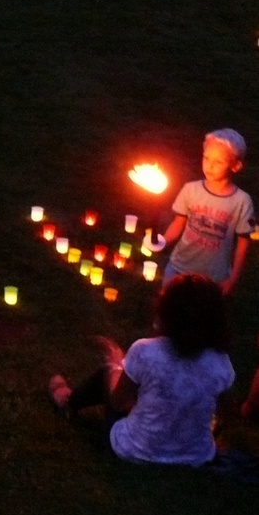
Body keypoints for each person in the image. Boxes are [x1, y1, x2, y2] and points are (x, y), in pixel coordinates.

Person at [49, 274, 234, 466]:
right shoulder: (220, 362)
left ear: (168, 311)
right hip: (196, 457)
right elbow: (224, 413)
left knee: (108, 373)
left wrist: (115, 364)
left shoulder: (146, 351)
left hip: (137, 450)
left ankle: (68, 401)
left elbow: (117, 402)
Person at [149, 129, 253, 295]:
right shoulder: (191, 189)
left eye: (218, 162)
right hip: (179, 268)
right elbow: (178, 223)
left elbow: (243, 242)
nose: (209, 165)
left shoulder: (241, 201)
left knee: (202, 317)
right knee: (169, 310)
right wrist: (162, 241)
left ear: (236, 166)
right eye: (206, 158)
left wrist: (233, 278)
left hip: (213, 278)